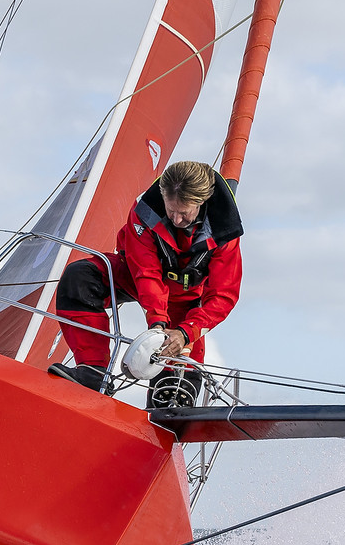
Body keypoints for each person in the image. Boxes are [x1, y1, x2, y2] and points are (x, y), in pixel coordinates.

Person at [49, 160, 243, 404]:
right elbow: (146, 272)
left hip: (186, 301)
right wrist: (157, 326)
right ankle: (93, 372)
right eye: (171, 210)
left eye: (184, 213)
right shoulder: (145, 213)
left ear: (201, 202)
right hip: (136, 277)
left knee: (173, 393)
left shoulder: (225, 232)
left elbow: (223, 295)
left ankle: (170, 406)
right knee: (80, 277)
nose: (176, 219)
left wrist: (186, 332)